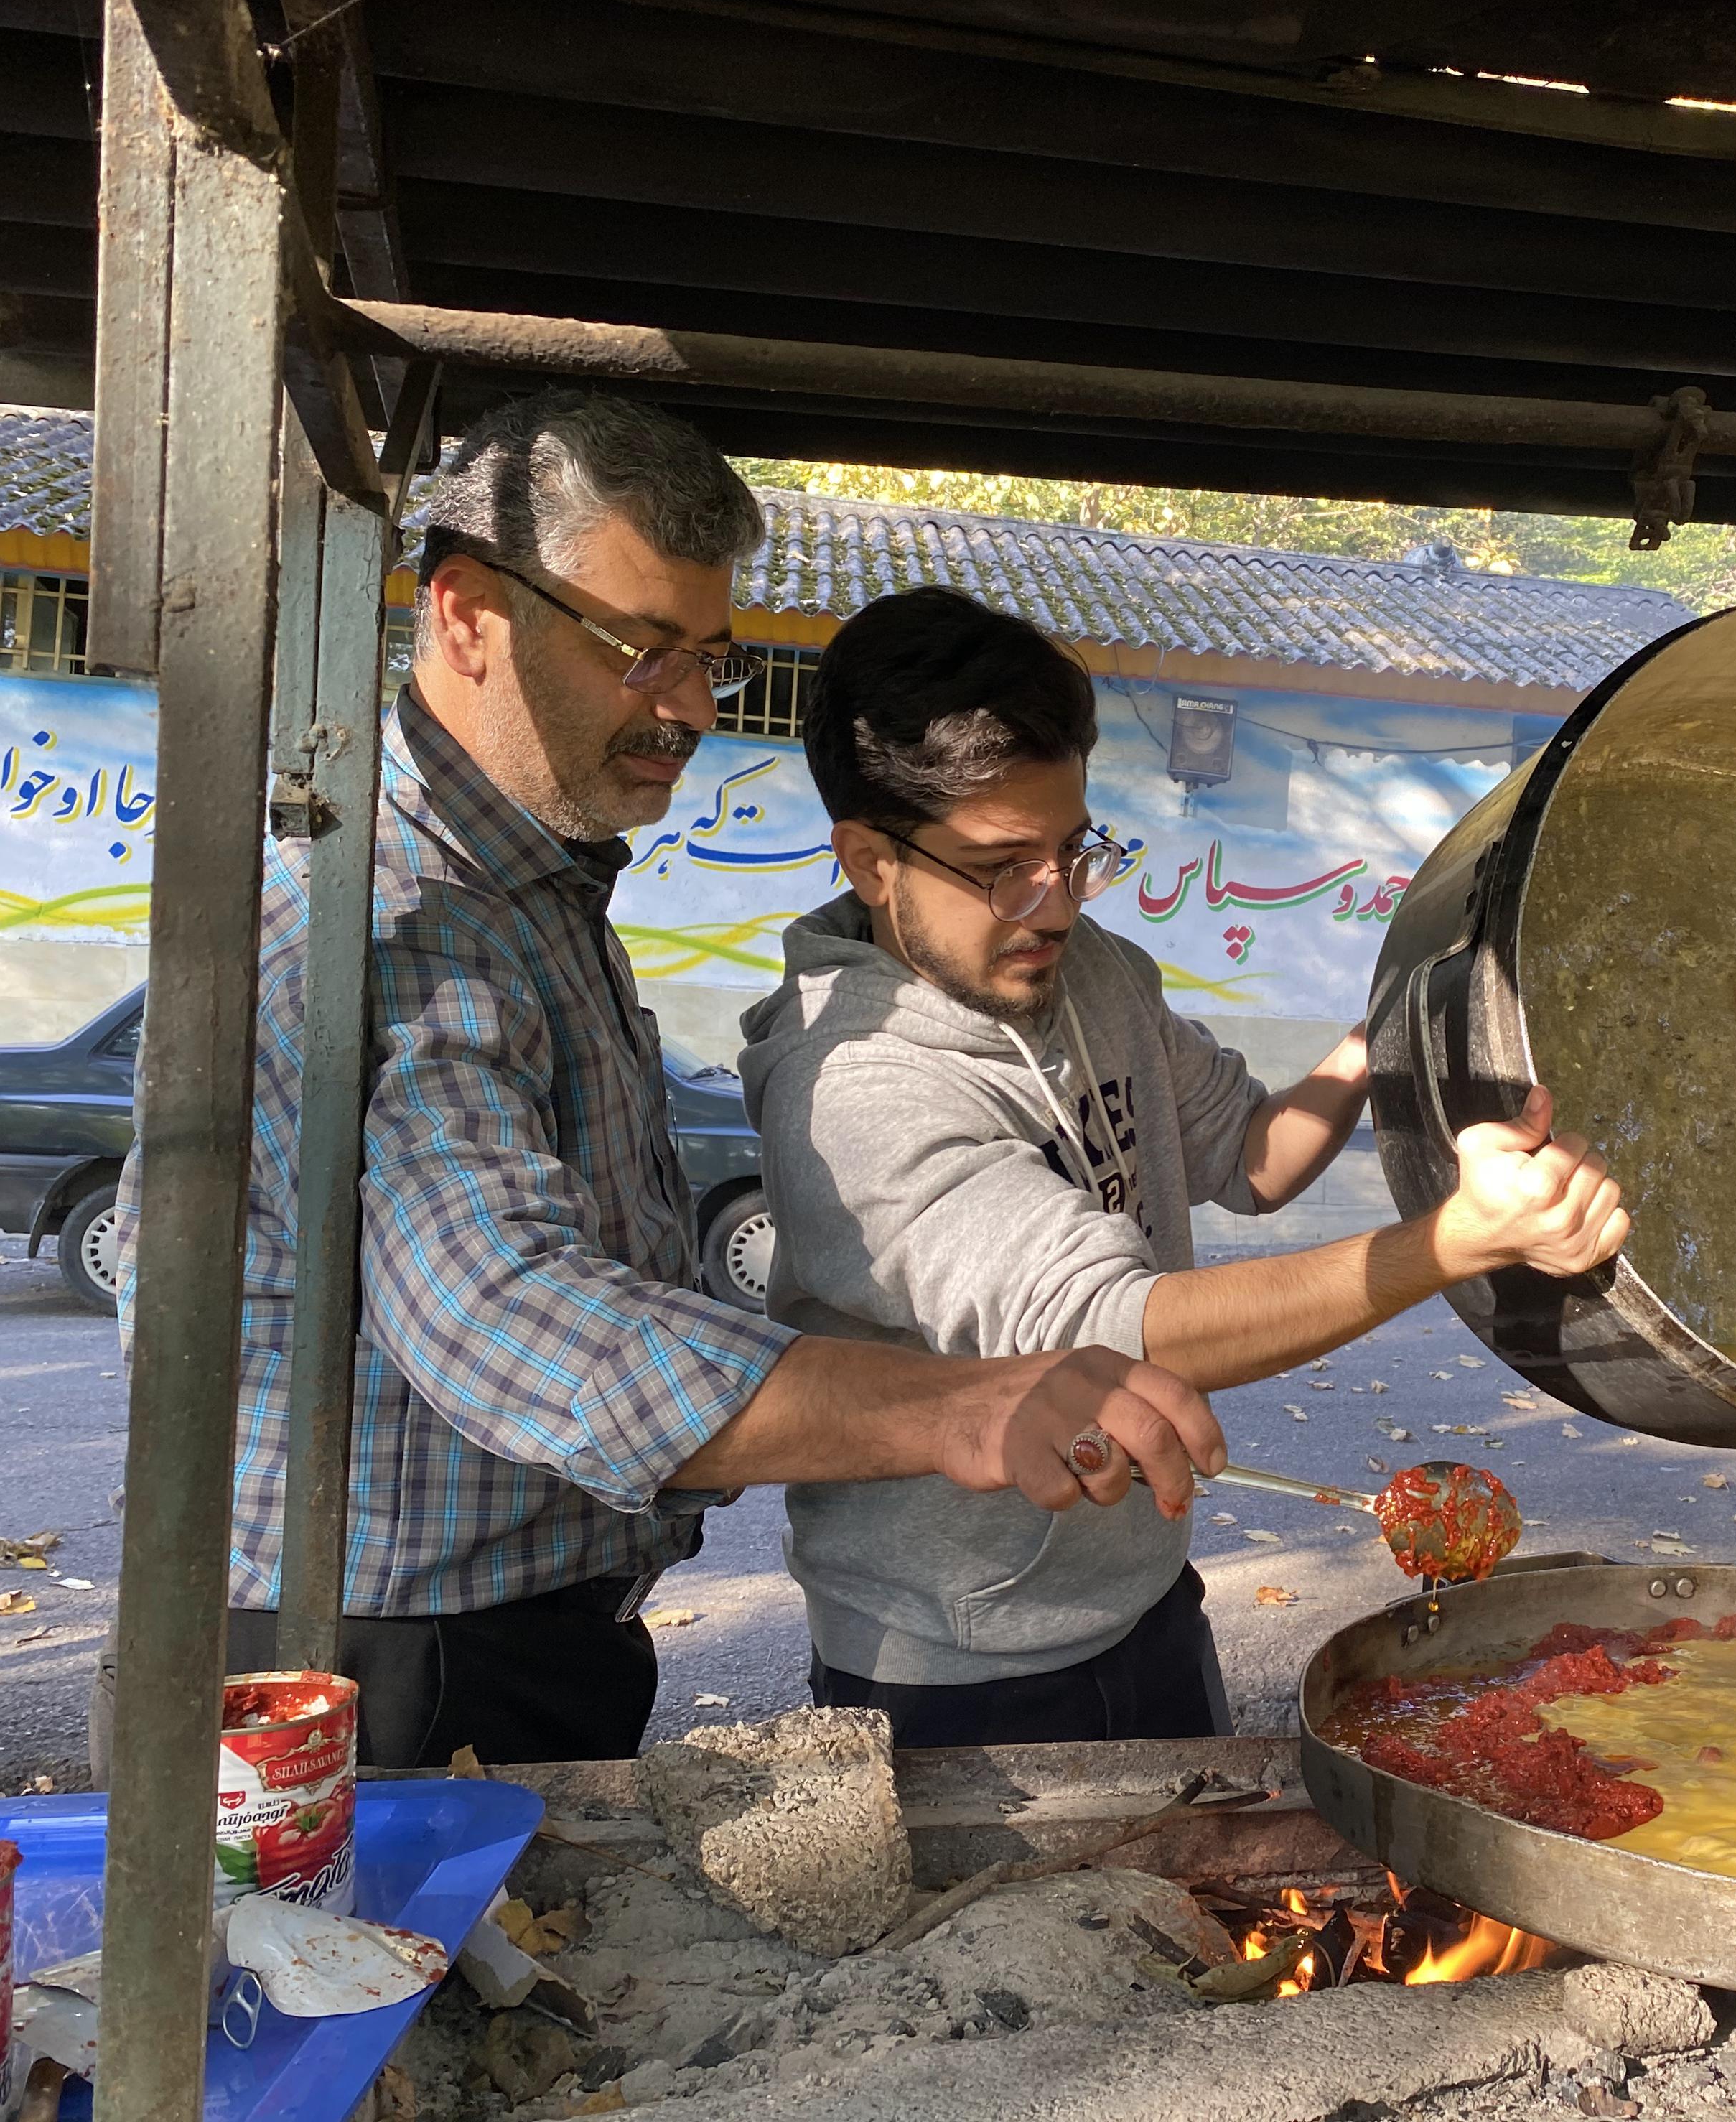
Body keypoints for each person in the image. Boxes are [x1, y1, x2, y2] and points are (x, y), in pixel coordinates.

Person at [115, 394, 1219, 1768]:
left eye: (706, 656)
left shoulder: (534, 885)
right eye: (643, 651)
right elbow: (502, 1304)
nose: (693, 707)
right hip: (382, 1667)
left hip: (513, 1629)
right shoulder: (386, 916)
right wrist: (956, 1403)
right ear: (467, 615)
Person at [739, 587, 1631, 1746]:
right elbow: (1122, 1326)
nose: (1053, 901)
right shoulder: (854, 1087)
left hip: (1149, 1596)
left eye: (1072, 850)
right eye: (1004, 865)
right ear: (869, 860)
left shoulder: (1090, 969)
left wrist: (1384, 1034)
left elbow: (1253, 1153)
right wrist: (1451, 1242)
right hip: (953, 1667)